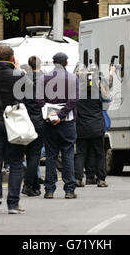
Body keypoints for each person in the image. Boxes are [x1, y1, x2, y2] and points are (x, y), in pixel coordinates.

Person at [0, 46, 29, 214]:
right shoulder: (19, 75)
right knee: (16, 163)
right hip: (14, 123)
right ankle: (13, 204)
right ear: (12, 58)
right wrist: (16, 68)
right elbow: (27, 94)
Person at [36, 52, 79, 200]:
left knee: (50, 155)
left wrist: (51, 116)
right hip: (67, 122)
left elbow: (39, 100)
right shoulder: (73, 78)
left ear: (54, 63)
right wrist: (60, 116)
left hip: (49, 123)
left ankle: (49, 190)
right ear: (66, 63)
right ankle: (69, 190)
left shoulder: (43, 78)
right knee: (67, 154)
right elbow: (74, 100)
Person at [74, 66, 108, 188]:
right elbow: (106, 101)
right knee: (99, 153)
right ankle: (101, 179)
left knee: (80, 153)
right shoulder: (97, 93)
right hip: (96, 126)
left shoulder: (77, 93)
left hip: (82, 126)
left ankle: (78, 179)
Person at [21, 56, 45, 197]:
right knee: (34, 154)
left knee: (30, 154)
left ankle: (34, 186)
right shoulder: (46, 79)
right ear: (40, 65)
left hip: (25, 118)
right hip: (39, 119)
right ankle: (28, 184)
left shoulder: (23, 80)